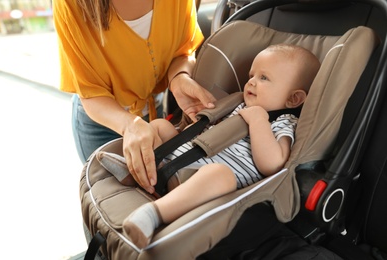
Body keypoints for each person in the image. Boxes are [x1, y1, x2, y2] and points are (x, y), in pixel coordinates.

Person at [121, 44, 321, 248]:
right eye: (252, 75)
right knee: (159, 126)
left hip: (202, 181)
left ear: (293, 98)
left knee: (221, 175)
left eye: (264, 78)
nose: (251, 81)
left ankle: (153, 214)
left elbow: (273, 164)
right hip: (181, 158)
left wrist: (258, 122)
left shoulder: (284, 122)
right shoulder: (238, 104)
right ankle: (139, 166)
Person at [52, 0, 216, 193]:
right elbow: (91, 91)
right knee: (111, 205)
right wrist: (130, 125)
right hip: (101, 122)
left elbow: (183, 52)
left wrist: (179, 77)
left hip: (152, 108)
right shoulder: (71, 4)